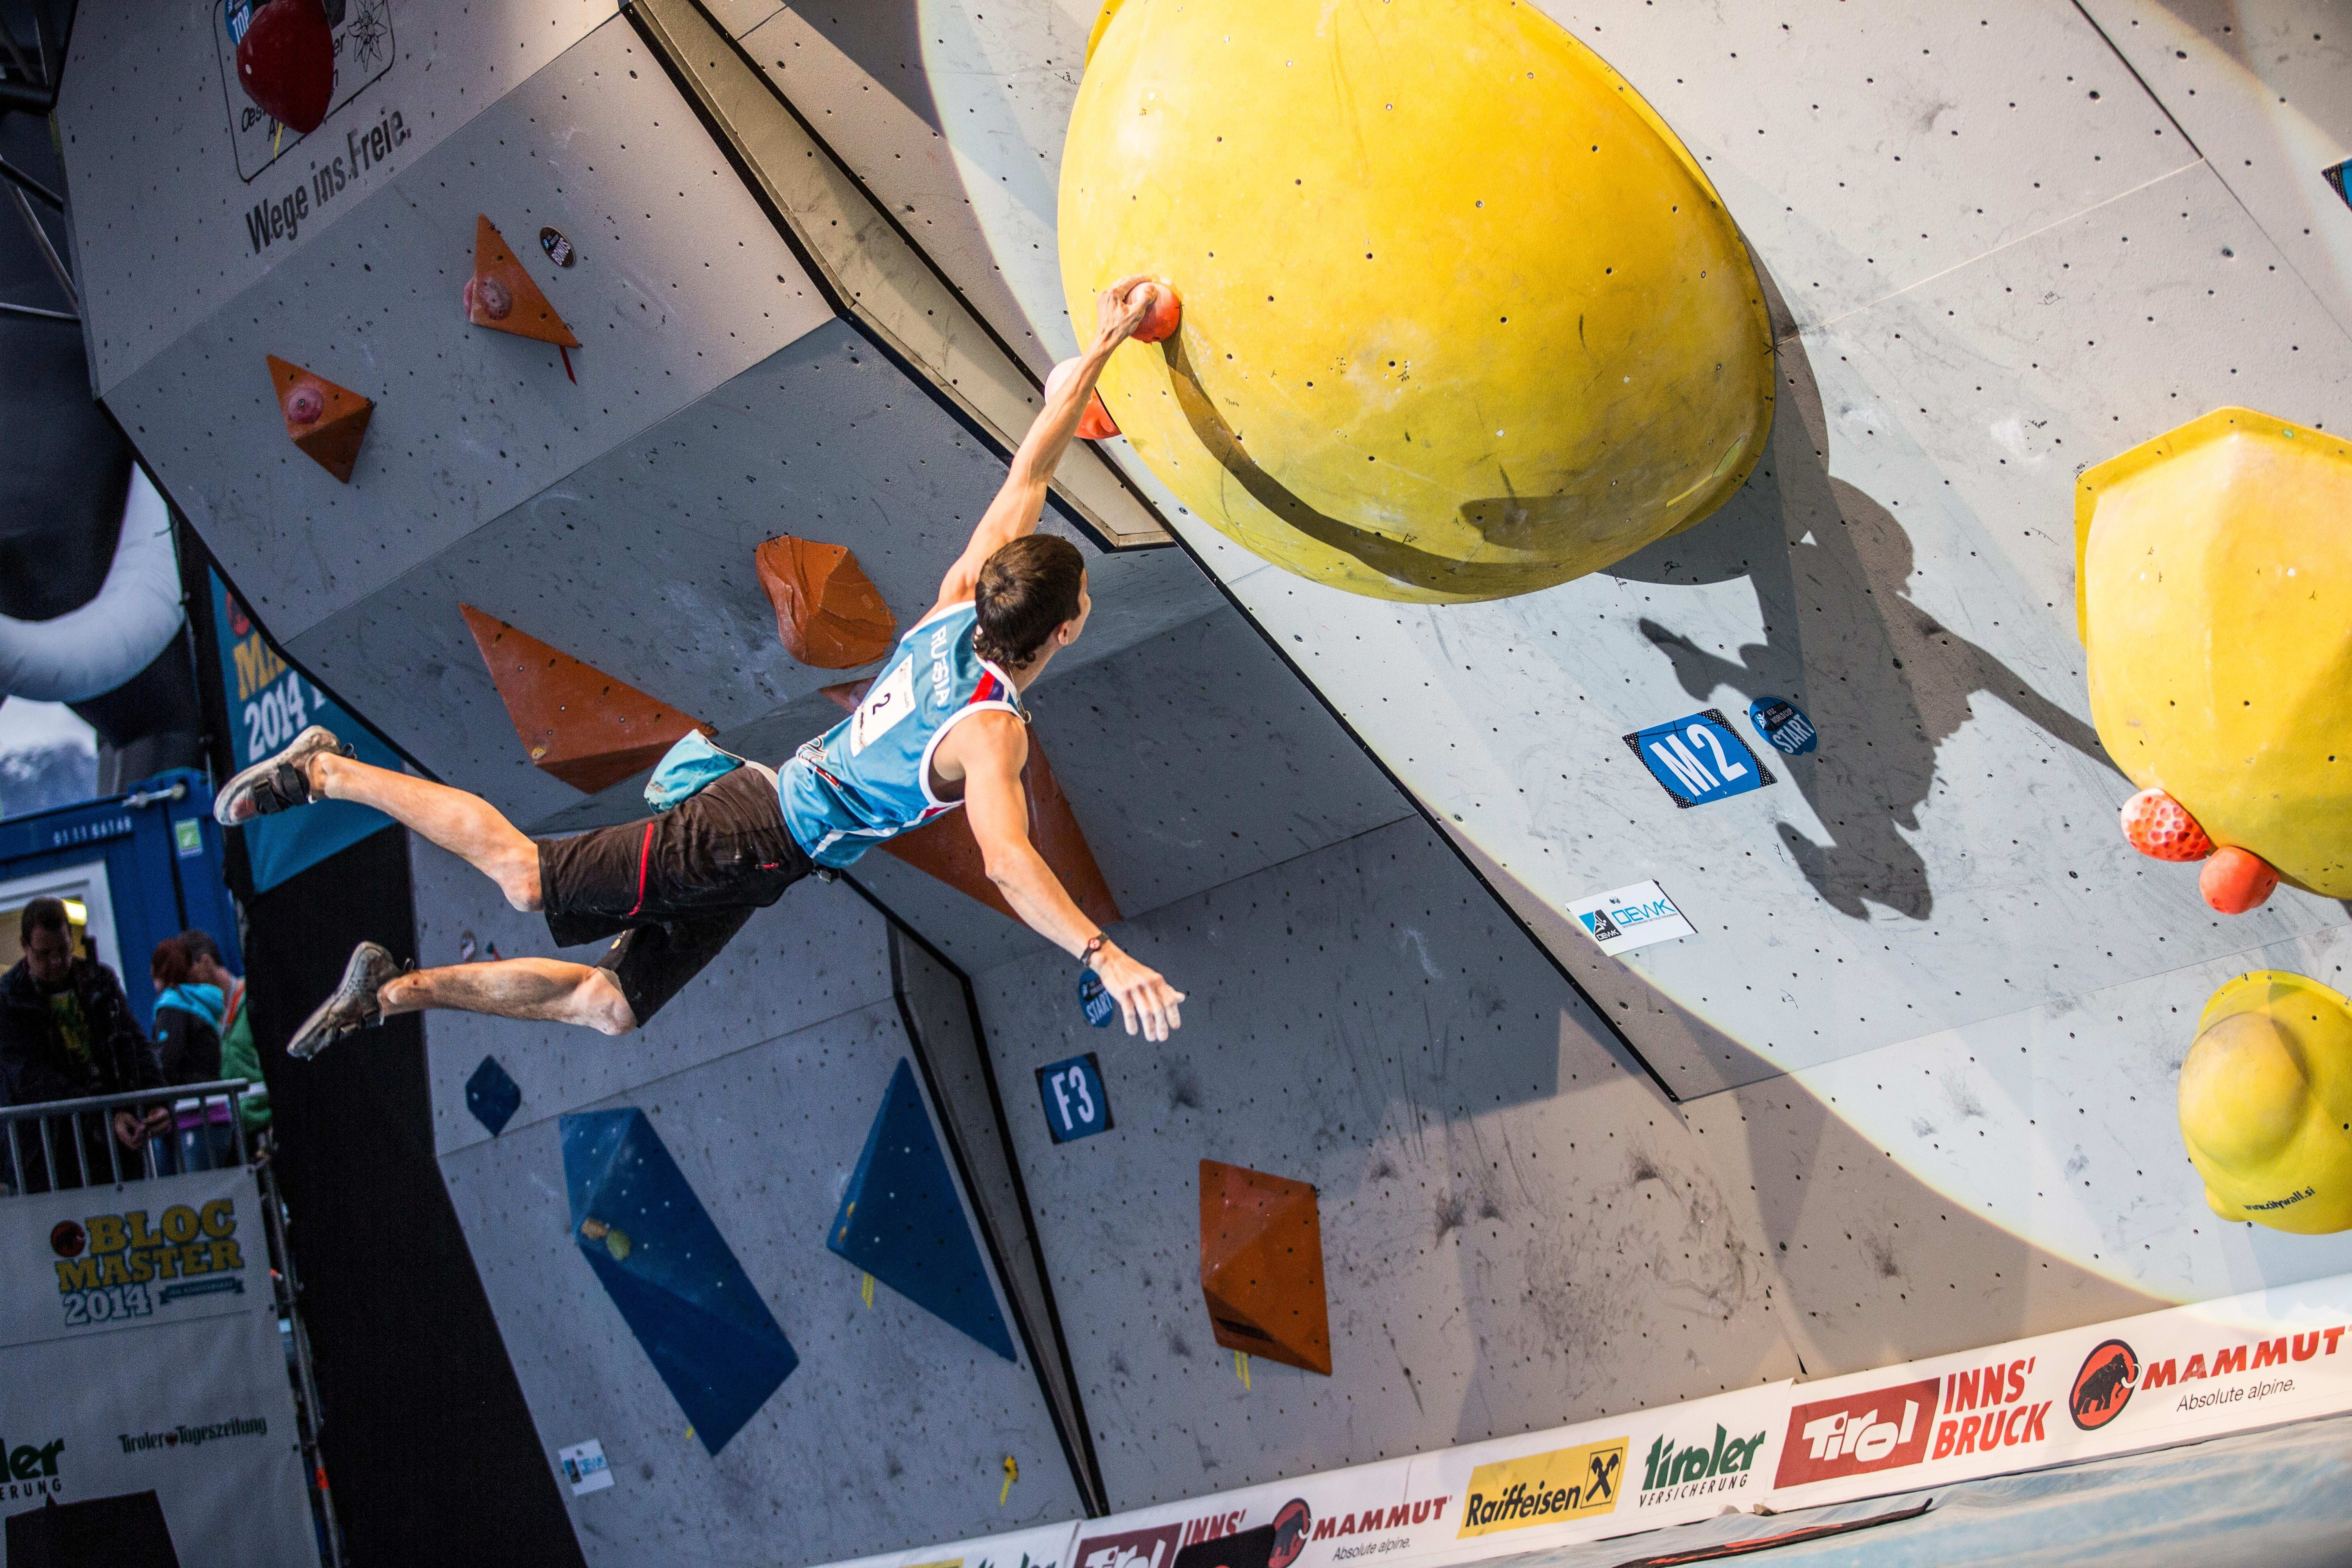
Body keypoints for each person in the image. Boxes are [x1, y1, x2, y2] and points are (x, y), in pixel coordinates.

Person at [217, 276, 1188, 1058]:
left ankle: (387, 992)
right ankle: (324, 771)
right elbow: (1008, 862)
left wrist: (1104, 341)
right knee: (522, 876)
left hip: (767, 844)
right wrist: (1102, 955)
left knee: (609, 1007)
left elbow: (1029, 470)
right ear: (1064, 630)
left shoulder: (957, 603)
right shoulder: (990, 731)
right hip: (749, 831)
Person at [0, 898, 163, 1187]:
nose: (56, 962)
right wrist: (107, 1116)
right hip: (48, 1152)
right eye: (45, 954)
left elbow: (135, 1043)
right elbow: (32, 1078)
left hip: (110, 1143)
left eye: (64, 950)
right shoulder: (8, 999)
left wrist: (157, 1101)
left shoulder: (98, 979)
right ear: (25, 946)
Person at [149, 935, 238, 1172]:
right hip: (217, 1115)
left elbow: (166, 1061)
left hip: (190, 1120)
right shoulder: (202, 1004)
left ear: (158, 971)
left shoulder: (172, 1005)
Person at [180, 927, 270, 1138]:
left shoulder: (256, 999)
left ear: (206, 963)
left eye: (189, 976)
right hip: (232, 1134)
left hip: (269, 1126)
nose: (186, 986)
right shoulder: (200, 1016)